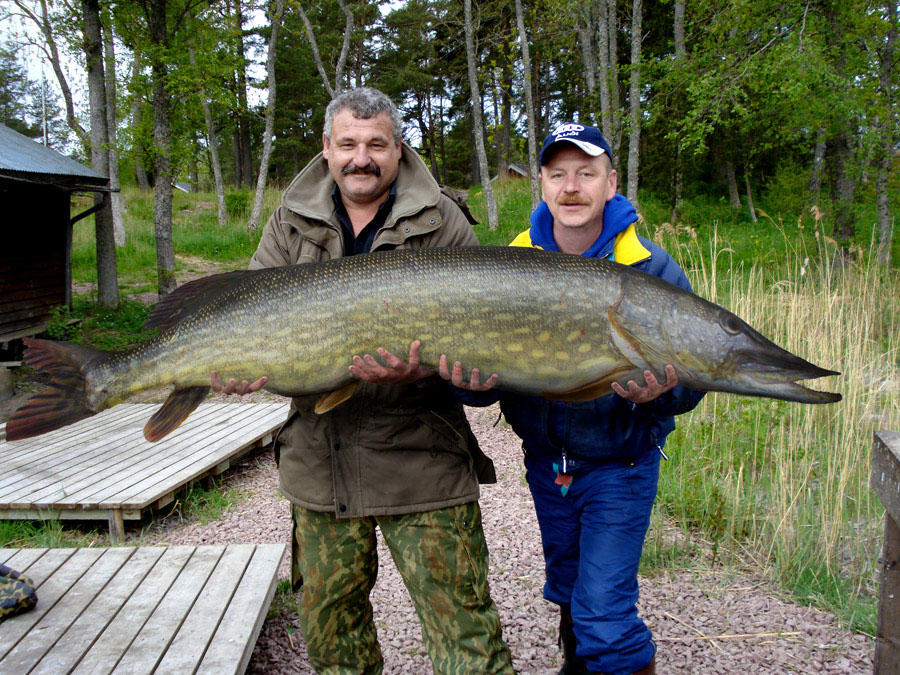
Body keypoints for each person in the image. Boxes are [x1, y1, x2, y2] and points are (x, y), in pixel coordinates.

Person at [212, 87, 513, 674]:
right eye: (348, 143)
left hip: (422, 457)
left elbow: (478, 350)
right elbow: (255, 316)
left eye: (376, 144)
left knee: (467, 634)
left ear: (398, 150)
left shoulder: (443, 219)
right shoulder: (288, 221)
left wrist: (428, 370)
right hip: (319, 459)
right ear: (326, 149)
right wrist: (242, 369)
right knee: (332, 639)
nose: (361, 158)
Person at [443, 123, 706, 675]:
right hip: (546, 464)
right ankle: (577, 665)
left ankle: (610, 656)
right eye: (558, 174)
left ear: (610, 184)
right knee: (567, 587)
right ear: (540, 184)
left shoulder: (651, 269)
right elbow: (472, 385)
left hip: (621, 465)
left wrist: (662, 394)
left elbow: (693, 382)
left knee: (605, 616)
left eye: (586, 174)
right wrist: (466, 382)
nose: (571, 187)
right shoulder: (504, 268)